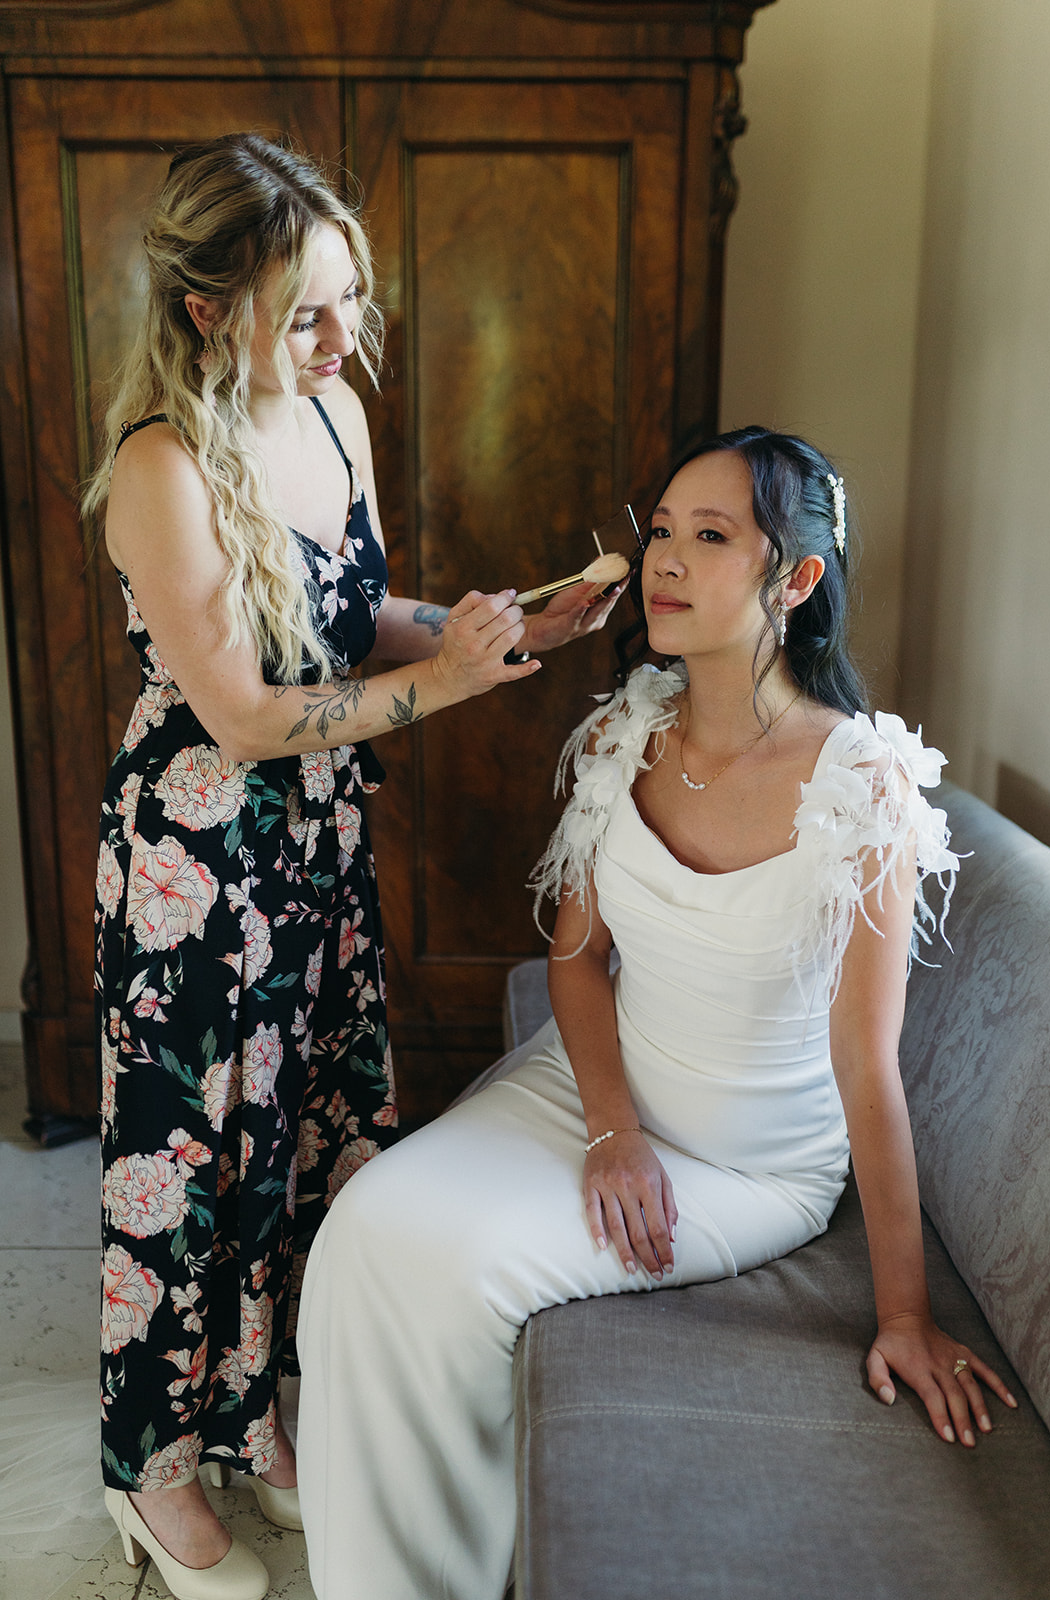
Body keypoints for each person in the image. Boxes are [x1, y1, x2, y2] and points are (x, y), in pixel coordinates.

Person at [295, 426, 1017, 1600]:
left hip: (745, 1162)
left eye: (711, 536)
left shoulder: (861, 781)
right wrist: (611, 1126)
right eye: (663, 530)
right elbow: (576, 963)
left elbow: (866, 1065)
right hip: (593, 1092)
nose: (666, 560)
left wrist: (903, 1312)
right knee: (363, 1228)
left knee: (451, 1266)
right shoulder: (623, 732)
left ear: (796, 579)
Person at [86, 131, 619, 1600]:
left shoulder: (332, 418)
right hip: (199, 863)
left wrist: (489, 630)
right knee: (188, 1165)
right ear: (209, 310)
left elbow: (348, 609)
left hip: (317, 843)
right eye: (305, 312)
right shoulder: (160, 468)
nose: (341, 339)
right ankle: (151, 1466)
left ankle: (251, 1414)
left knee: (299, 1139)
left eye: (350, 303)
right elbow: (249, 716)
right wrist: (442, 687)